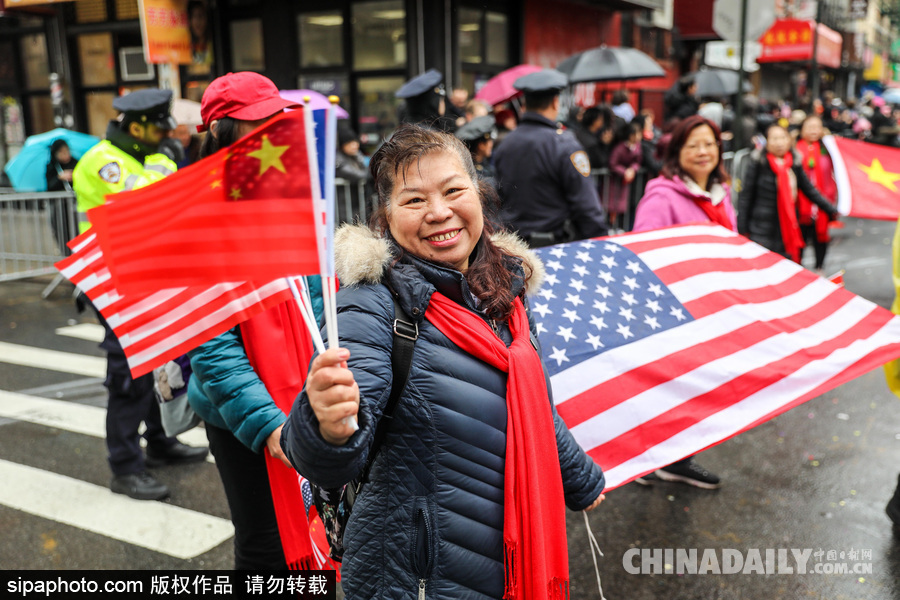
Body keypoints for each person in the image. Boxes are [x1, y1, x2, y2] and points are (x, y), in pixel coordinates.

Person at [281, 123, 606, 599]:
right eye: (413, 200)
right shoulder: (370, 304)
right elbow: (326, 462)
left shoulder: (505, 290)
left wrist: (580, 479)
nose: (439, 212)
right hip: (418, 577)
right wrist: (326, 425)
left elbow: (526, 404)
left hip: (507, 560)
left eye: (453, 190)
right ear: (386, 217)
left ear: (478, 193)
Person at [185, 72, 324, 570]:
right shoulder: (196, 217)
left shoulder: (292, 196)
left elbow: (319, 304)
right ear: (222, 133)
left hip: (311, 397)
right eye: (255, 123)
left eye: (275, 119)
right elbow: (211, 345)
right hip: (240, 415)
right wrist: (267, 425)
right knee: (267, 544)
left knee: (323, 530)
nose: (272, 132)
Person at [72, 88, 204, 501]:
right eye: (157, 128)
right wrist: (167, 158)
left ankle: (160, 441)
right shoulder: (102, 161)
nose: (165, 136)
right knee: (128, 373)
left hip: (145, 276)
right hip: (113, 281)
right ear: (134, 127)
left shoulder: (138, 156)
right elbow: (150, 199)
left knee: (154, 361)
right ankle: (125, 467)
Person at [631, 116, 733, 489]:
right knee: (667, 386)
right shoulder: (662, 196)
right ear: (677, 152)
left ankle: (673, 457)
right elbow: (642, 252)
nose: (703, 152)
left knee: (691, 385)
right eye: (693, 145)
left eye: (709, 143)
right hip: (674, 311)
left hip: (710, 309)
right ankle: (650, 458)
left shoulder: (721, 194)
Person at [493, 69, 608, 246]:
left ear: (525, 104)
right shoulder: (564, 145)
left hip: (513, 250)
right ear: (555, 102)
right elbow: (586, 206)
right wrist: (603, 244)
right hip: (555, 249)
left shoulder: (505, 144)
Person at [738, 123, 839, 263]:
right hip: (761, 228)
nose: (779, 143)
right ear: (767, 142)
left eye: (782, 138)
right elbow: (745, 196)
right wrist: (742, 228)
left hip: (786, 227)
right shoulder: (758, 163)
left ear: (789, 140)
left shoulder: (794, 163)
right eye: (774, 138)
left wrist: (831, 209)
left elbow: (809, 190)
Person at [796, 115, 837, 274]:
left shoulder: (828, 149)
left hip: (822, 203)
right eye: (809, 127)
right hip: (801, 205)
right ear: (802, 130)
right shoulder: (795, 149)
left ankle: (820, 269)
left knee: (821, 238)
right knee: (800, 239)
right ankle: (797, 271)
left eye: (817, 127)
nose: (813, 130)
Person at [607, 119, 643, 233]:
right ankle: (611, 227)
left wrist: (633, 169)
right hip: (615, 182)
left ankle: (622, 228)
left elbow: (638, 161)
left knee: (625, 206)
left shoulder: (637, 147)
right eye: (636, 133)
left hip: (628, 182)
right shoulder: (620, 148)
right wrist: (624, 172)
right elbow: (613, 163)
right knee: (613, 206)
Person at [46, 139, 78, 251]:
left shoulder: (76, 163)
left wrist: (75, 176)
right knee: (63, 231)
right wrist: (59, 178)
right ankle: (66, 253)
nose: (65, 154)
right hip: (59, 207)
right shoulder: (52, 167)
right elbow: (49, 186)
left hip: (76, 205)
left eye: (67, 151)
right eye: (61, 152)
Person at [455, 114, 496, 182]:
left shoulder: (484, 163)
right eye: (489, 142)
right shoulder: (476, 174)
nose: (491, 144)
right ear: (481, 146)